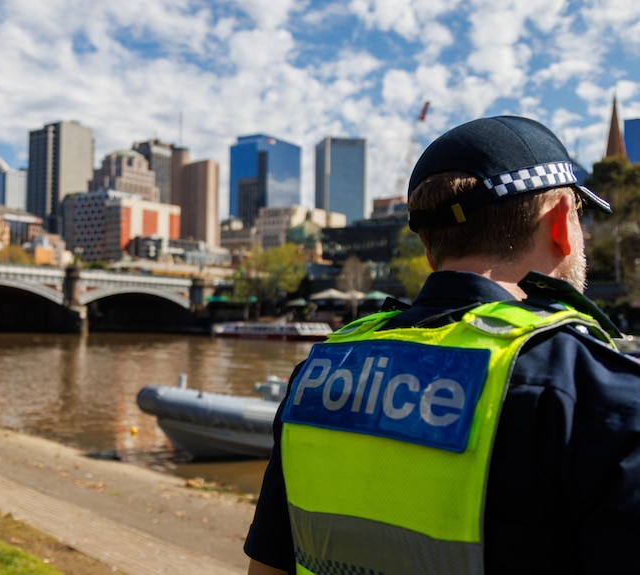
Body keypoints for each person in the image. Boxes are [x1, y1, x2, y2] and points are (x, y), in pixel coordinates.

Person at [244, 115, 640, 575]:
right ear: (558, 223)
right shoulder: (600, 395)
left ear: (431, 250)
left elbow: (267, 568)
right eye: (579, 216)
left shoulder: (321, 370)